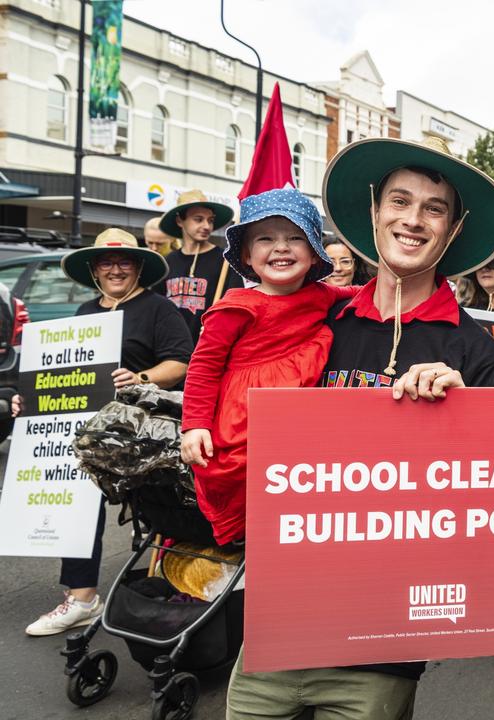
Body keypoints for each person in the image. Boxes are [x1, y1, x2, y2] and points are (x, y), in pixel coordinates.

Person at [224, 135, 494, 720]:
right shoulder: (313, 317)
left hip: (382, 649)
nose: (413, 219)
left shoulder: (475, 353)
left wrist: (466, 413)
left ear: (453, 229)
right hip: (276, 629)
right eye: (400, 202)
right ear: (375, 212)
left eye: (435, 208)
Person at [22, 228, 192, 636]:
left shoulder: (158, 309)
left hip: (137, 430)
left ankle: (99, 595)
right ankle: (82, 597)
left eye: (125, 262)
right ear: (94, 270)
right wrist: (29, 402)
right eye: (106, 262)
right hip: (86, 426)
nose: (116, 269)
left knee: (96, 494)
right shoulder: (84, 314)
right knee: (72, 496)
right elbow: (62, 376)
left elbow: (181, 363)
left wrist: (141, 377)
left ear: (138, 268)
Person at [179, 188, 357, 545]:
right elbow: (203, 368)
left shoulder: (322, 295)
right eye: (265, 238)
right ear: (246, 254)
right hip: (244, 424)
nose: (281, 247)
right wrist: (194, 425)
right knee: (250, 507)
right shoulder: (236, 306)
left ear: (314, 252)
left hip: (296, 427)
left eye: (295, 237)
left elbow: (363, 293)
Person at [161, 189, 244, 340]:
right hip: (170, 352)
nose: (207, 226)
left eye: (210, 220)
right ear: (180, 221)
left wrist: (218, 327)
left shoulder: (226, 261)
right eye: (198, 219)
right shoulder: (167, 262)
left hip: (208, 349)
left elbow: (235, 307)